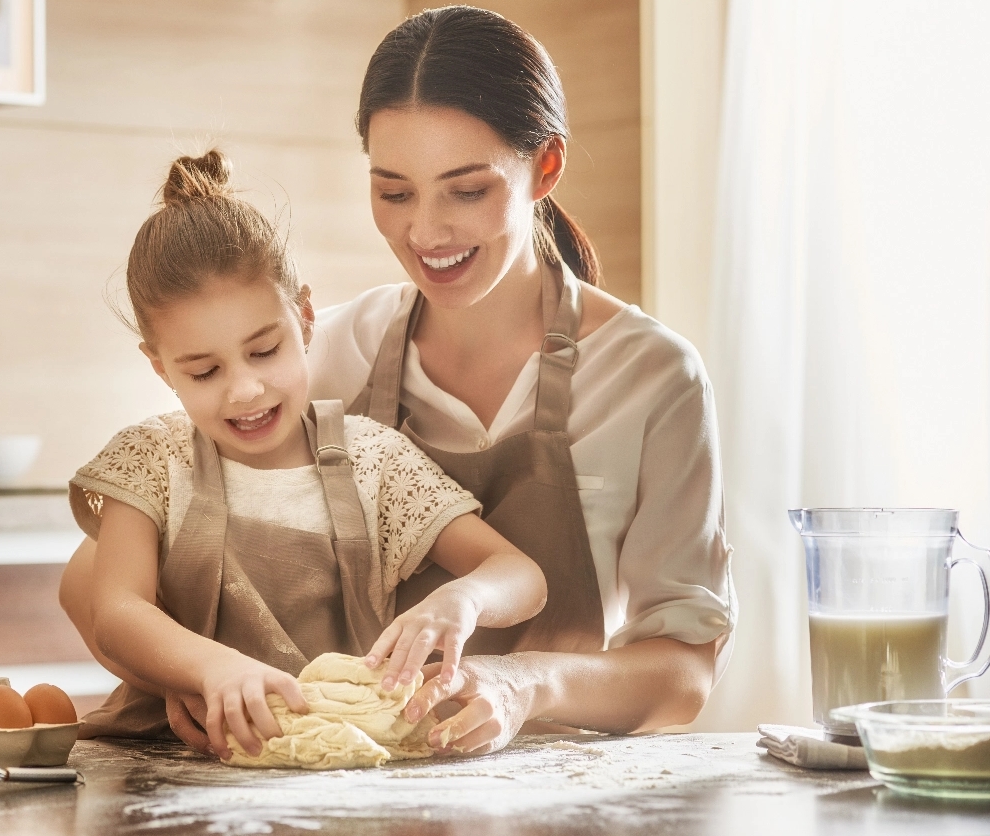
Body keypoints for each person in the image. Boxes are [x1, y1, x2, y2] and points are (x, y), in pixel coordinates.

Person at [62, 5, 736, 757]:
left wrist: (521, 685)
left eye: (467, 190)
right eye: (394, 191)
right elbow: (100, 583)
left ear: (545, 166)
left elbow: (683, 674)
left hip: (551, 792)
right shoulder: (330, 353)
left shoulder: (651, 378)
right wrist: (185, 676)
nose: (426, 232)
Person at [67, 148, 548, 761]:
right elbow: (116, 609)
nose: (244, 389)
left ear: (305, 317)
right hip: (172, 757)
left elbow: (520, 575)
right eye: (205, 370)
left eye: (264, 351)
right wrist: (207, 672)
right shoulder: (153, 459)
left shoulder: (374, 459)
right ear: (161, 368)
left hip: (346, 759)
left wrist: (463, 600)